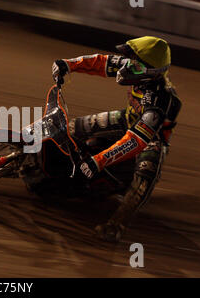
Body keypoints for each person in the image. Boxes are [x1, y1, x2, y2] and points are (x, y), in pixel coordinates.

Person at [51, 36, 182, 242]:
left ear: (152, 72)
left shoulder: (161, 99)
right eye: (129, 58)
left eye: (136, 64)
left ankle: (116, 225)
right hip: (127, 118)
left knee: (144, 178)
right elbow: (102, 62)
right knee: (72, 127)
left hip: (151, 139)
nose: (128, 66)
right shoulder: (134, 67)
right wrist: (69, 64)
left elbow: (137, 140)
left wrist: (99, 160)